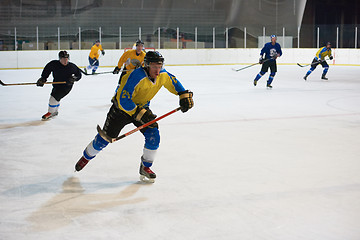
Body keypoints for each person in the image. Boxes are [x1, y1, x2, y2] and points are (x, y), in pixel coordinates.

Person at [75, 51, 194, 183]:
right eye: (154, 66)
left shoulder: (163, 75)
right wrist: (140, 114)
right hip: (120, 111)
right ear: (147, 65)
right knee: (104, 139)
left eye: (160, 66)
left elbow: (174, 83)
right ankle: (86, 157)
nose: (158, 70)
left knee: (153, 135)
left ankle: (145, 167)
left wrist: (183, 95)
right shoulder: (136, 76)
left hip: (141, 108)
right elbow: (123, 100)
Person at [37, 50, 82, 120]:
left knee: (53, 99)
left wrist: (74, 78)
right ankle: (55, 111)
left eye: (67, 59)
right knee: (56, 98)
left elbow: (79, 75)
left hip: (66, 87)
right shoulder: (54, 64)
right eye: (63, 59)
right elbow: (47, 70)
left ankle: (50, 112)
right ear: (60, 59)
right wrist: (43, 78)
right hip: (56, 85)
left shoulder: (72, 66)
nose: (65, 61)